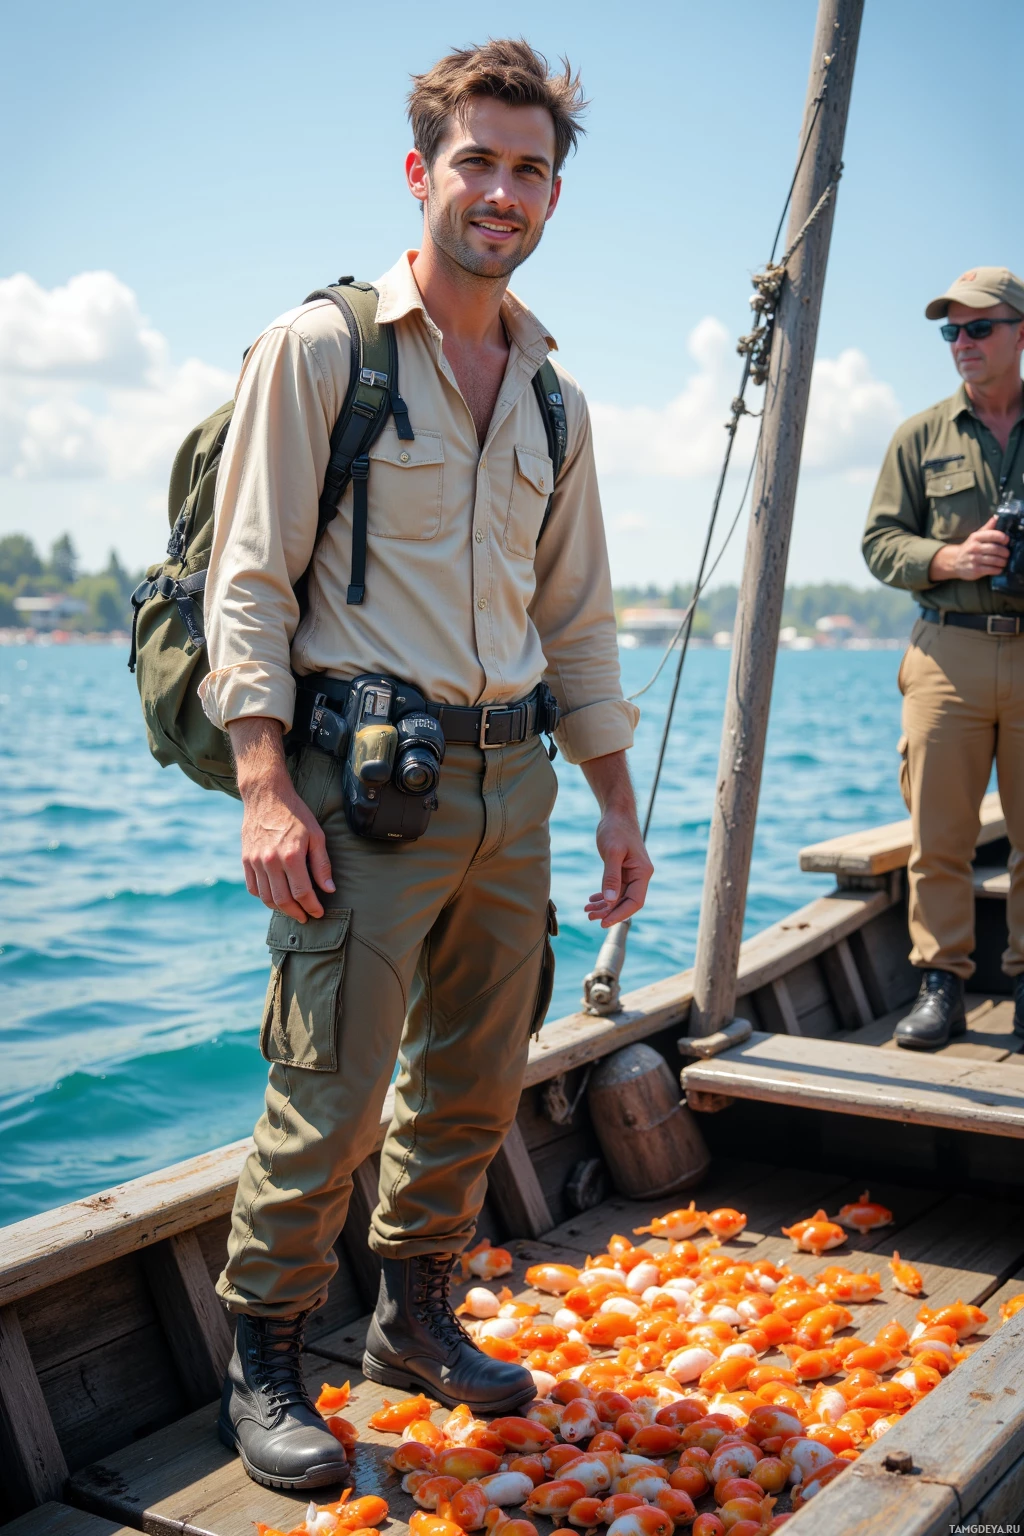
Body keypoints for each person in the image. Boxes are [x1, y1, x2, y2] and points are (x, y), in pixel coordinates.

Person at [197, 40, 653, 1490]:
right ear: (422, 172)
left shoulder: (552, 394)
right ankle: (263, 1353)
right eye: (478, 160)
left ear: (553, 194)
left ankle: (412, 1316)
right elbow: (250, 581)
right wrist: (266, 784)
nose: (502, 191)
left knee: (474, 1079)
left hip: (512, 785)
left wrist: (616, 804)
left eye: (529, 169)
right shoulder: (324, 348)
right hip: (360, 788)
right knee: (328, 1086)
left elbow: (575, 616)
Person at [863, 266, 1024, 1051]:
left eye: (978, 327)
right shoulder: (918, 436)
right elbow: (879, 542)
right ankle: (940, 985)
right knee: (939, 834)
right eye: (950, 331)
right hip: (947, 655)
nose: (961, 343)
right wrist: (949, 560)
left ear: (1020, 331)